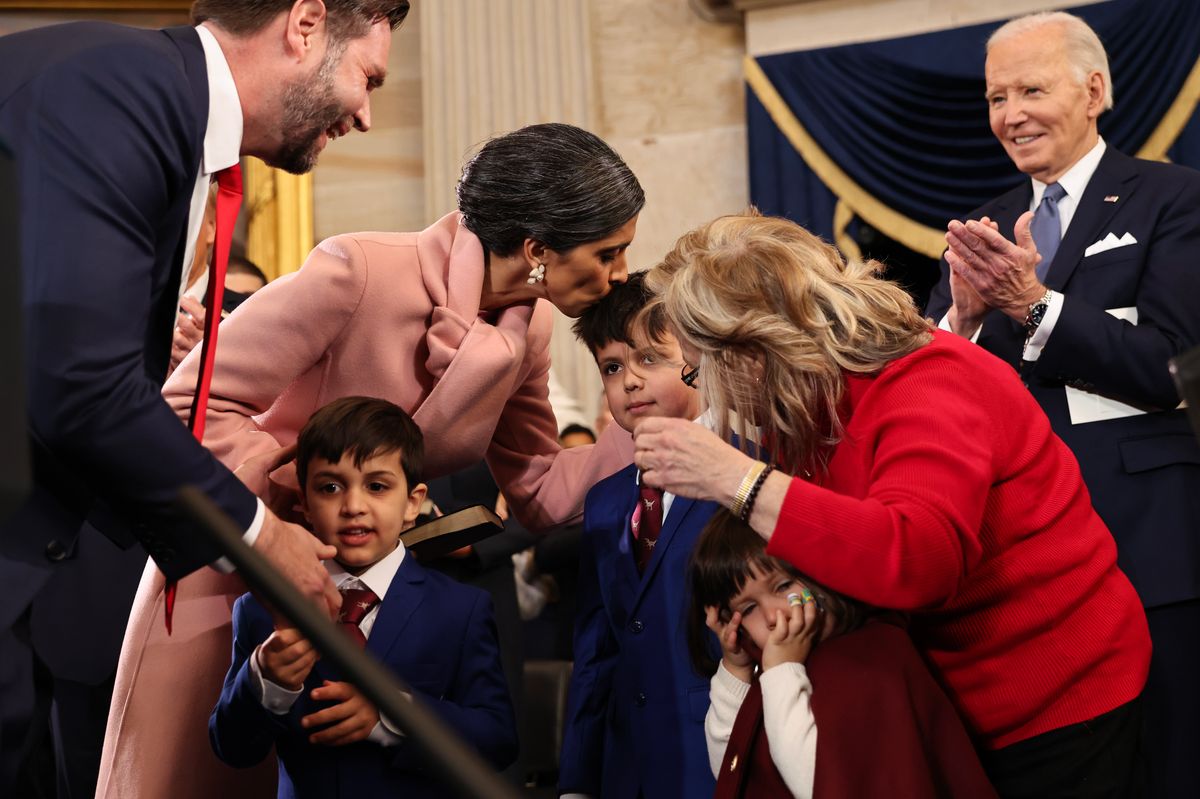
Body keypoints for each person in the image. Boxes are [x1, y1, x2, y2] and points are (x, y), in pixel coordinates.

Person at [102, 121, 644, 798]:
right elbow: (189, 402)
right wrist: (283, 514)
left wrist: (650, 424)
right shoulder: (359, 270)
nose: (620, 273)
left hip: (374, 605)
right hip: (236, 572)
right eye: (608, 252)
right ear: (536, 249)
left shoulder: (529, 324)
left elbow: (538, 488)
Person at [0, 2, 409, 796]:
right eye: (368, 77)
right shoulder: (120, 91)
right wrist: (255, 535)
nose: (365, 114)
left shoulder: (155, 106)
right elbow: (82, 386)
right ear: (305, 24)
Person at [632, 212, 1151, 798]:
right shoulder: (808, 405)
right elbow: (829, 554)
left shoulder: (928, 379)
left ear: (754, 352)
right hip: (937, 701)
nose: (706, 391)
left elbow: (918, 558)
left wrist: (740, 480)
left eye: (698, 369)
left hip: (1051, 705)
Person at [924, 12, 1200, 797]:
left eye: (1030, 89)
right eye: (995, 96)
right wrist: (966, 319)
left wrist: (1037, 304)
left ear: (1094, 90)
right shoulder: (980, 229)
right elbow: (929, 388)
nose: (1010, 115)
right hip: (1019, 563)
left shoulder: (1174, 199)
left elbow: (1171, 366)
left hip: (1147, 543)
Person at [209, 396, 517, 798]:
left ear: (412, 503)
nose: (353, 506)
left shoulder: (460, 609)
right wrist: (264, 678)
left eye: (376, 486)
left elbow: (497, 739)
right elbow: (233, 748)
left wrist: (392, 715)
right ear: (303, 501)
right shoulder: (261, 609)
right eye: (330, 487)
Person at [691, 511, 997, 799]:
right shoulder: (776, 665)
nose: (773, 615)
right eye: (748, 609)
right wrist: (736, 668)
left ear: (820, 569)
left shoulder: (867, 659)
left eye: (783, 585)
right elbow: (734, 769)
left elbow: (819, 783)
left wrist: (782, 669)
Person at [558, 272, 719, 799]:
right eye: (612, 367)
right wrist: (578, 782)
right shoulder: (606, 502)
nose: (628, 380)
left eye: (649, 358)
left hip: (717, 748)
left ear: (695, 359)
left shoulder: (744, 472)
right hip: (629, 763)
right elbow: (596, 652)